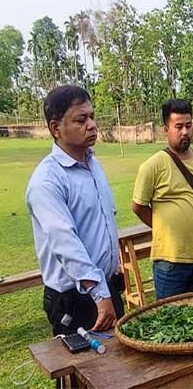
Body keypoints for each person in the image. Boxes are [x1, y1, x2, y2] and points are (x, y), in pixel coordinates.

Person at [26, 85, 124, 335]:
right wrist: (100, 295)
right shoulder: (47, 181)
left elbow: (104, 219)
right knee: (82, 370)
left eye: (92, 117)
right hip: (75, 298)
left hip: (105, 287)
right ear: (55, 128)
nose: (91, 125)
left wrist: (115, 267)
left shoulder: (93, 164)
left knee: (121, 367)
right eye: (81, 119)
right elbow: (65, 243)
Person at [132, 99, 193, 300]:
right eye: (178, 126)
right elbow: (138, 206)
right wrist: (163, 227)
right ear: (165, 129)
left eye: (188, 125)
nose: (185, 132)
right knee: (171, 322)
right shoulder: (153, 165)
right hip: (170, 262)